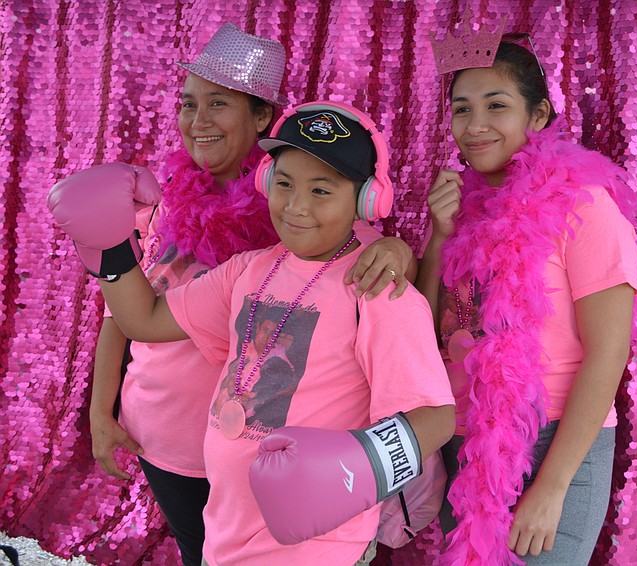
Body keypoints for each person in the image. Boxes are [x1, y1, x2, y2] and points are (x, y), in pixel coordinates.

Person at [50, 100, 456, 566]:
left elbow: (436, 416)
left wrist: (352, 471)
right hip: (224, 536)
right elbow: (142, 321)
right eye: (284, 184)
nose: (298, 206)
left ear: (366, 200)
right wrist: (111, 248)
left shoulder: (374, 289)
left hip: (314, 551)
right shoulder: (249, 270)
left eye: (322, 191)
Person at [417, 32, 637, 565]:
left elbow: (609, 351)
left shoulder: (584, 206)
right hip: (468, 441)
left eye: (496, 106)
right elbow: (426, 331)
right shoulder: (465, 208)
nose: (475, 126)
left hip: (553, 438)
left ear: (537, 116)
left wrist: (552, 486)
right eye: (461, 110)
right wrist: (438, 237)